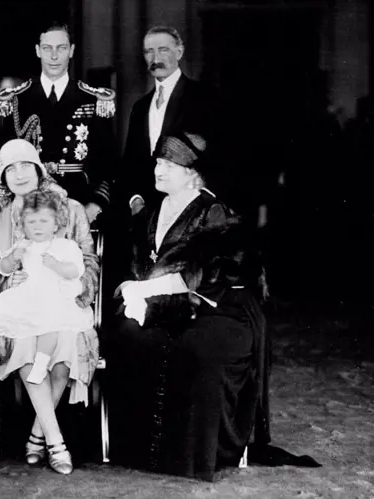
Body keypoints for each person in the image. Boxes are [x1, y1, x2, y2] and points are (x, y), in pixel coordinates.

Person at [103, 132, 270, 481]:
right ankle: (142, 451)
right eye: (158, 162)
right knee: (129, 336)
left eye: (169, 164)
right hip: (167, 304)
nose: (158, 170)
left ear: (190, 172)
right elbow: (141, 262)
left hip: (220, 306)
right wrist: (138, 288)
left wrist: (144, 288)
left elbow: (204, 275)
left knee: (196, 348)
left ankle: (193, 456)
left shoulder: (214, 212)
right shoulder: (153, 209)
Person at [0, 139, 99, 474]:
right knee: (31, 350)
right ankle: (56, 443)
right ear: (1, 178)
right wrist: (6, 282)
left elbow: (88, 260)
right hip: (21, 313)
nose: (18, 175)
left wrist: (74, 290)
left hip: (63, 304)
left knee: (63, 346)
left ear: (39, 168)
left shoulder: (70, 209)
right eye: (9, 169)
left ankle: (36, 437)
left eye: (25, 165)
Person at [0, 21, 117, 226]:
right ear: (37, 51)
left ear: (71, 51)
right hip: (29, 205)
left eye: (61, 48)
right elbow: (3, 161)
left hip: (79, 204)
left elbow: (108, 162)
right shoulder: (17, 100)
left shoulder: (91, 99)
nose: (53, 56)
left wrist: (94, 206)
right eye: (47, 48)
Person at [0, 189, 94, 385]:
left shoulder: (65, 246)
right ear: (23, 225)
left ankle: (41, 363)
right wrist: (12, 259)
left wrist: (57, 266)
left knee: (50, 324)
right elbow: (3, 269)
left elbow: (76, 270)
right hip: (28, 293)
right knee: (3, 301)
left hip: (53, 295)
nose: (37, 227)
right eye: (31, 222)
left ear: (55, 224)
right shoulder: (23, 244)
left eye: (43, 221)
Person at [116, 25, 220, 216]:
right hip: (147, 215)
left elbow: (217, 157)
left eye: (163, 50)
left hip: (191, 211)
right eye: (149, 51)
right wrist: (136, 200)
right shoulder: (140, 107)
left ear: (179, 52)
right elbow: (131, 162)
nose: (155, 59)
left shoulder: (205, 97)